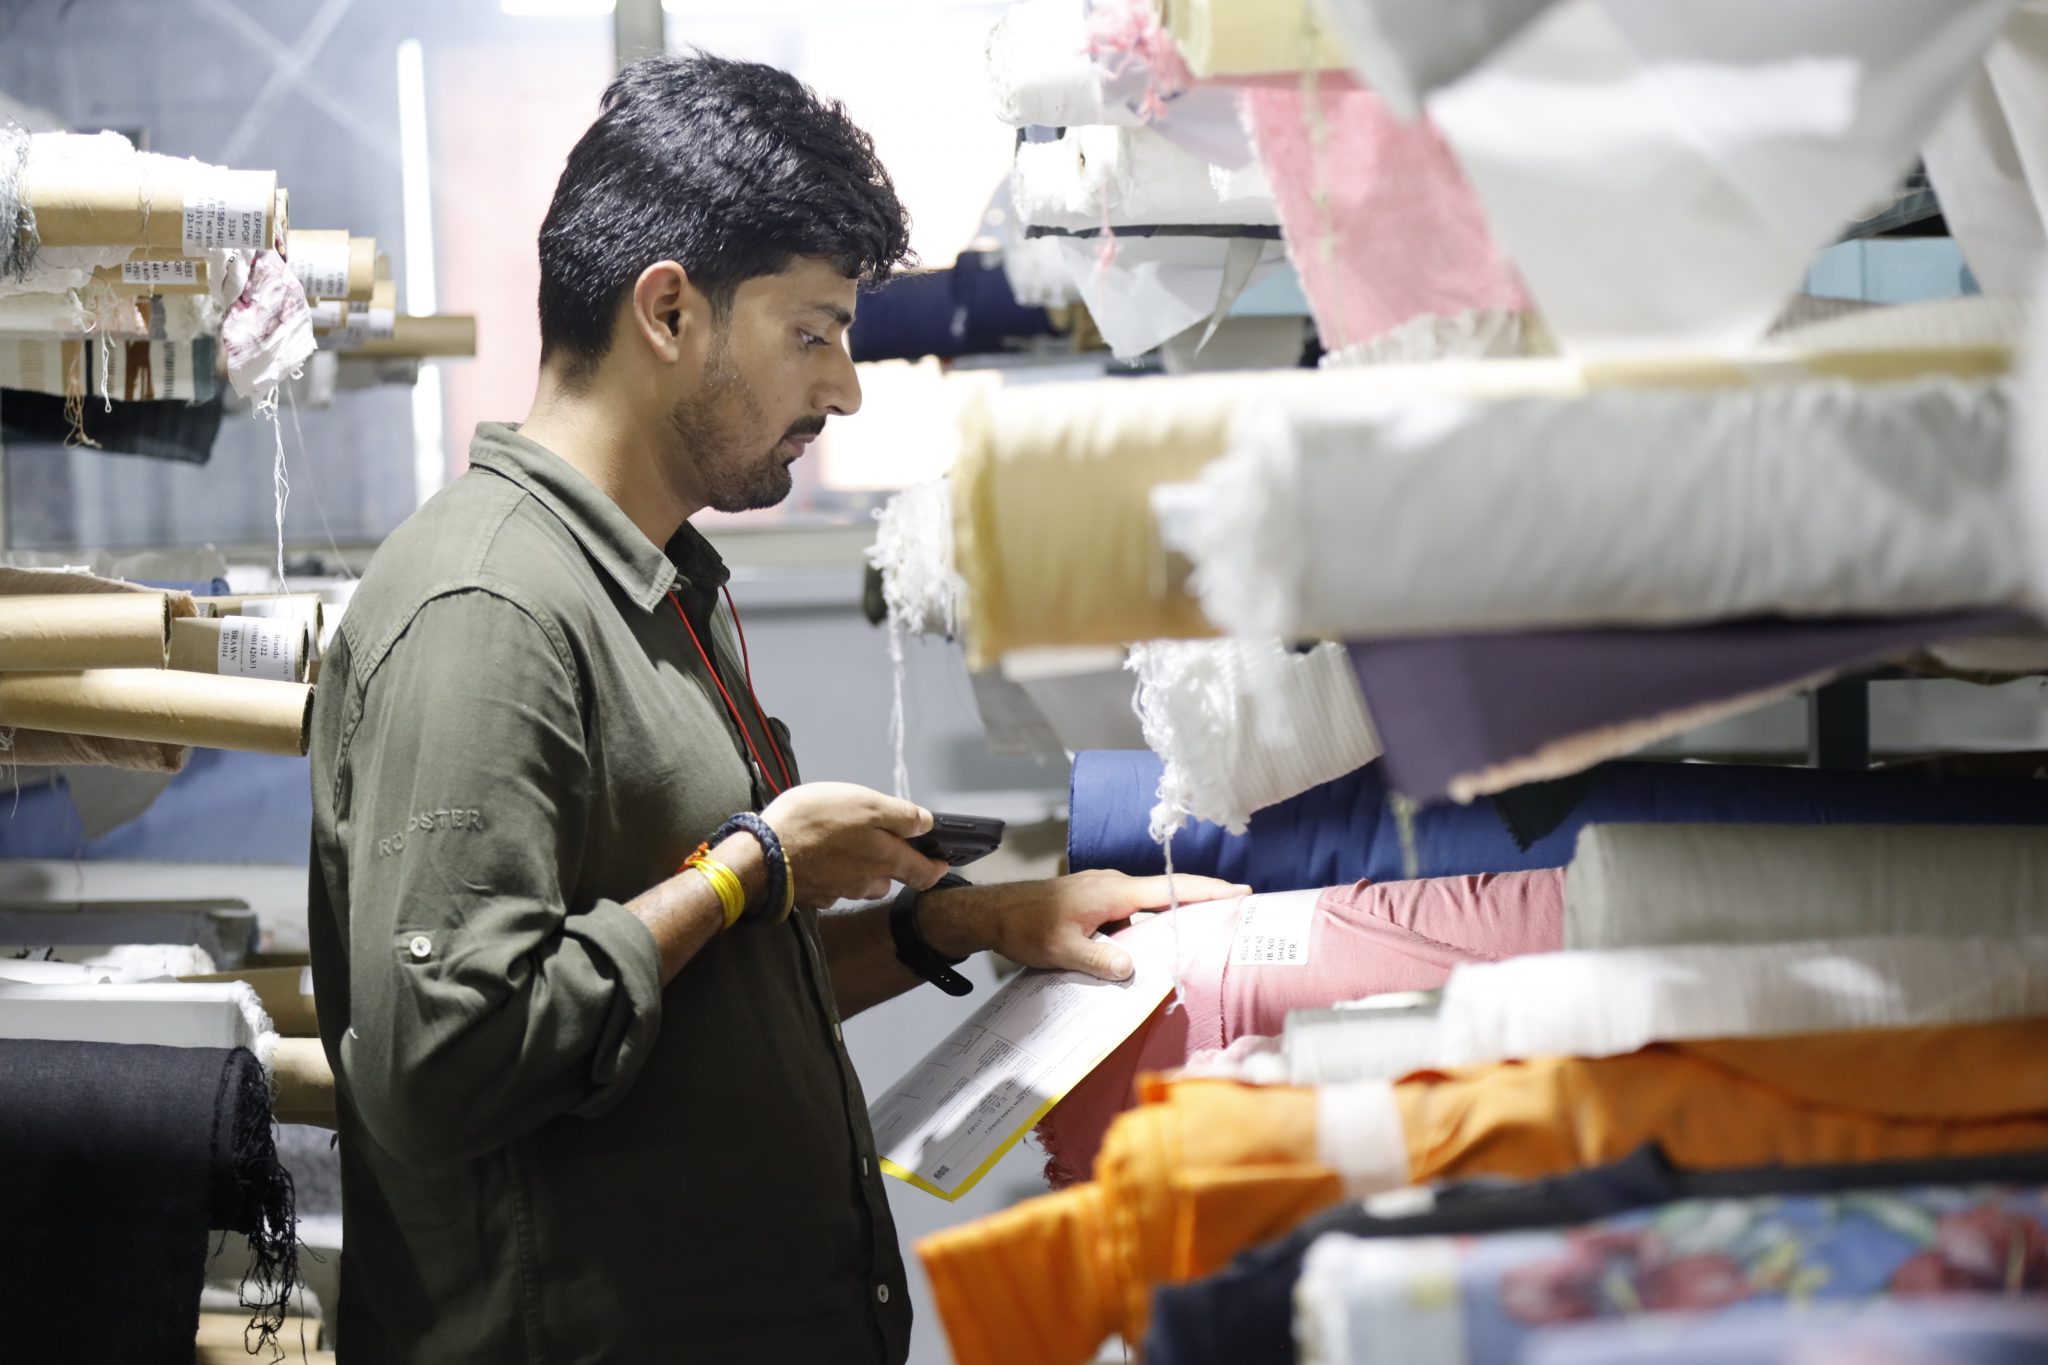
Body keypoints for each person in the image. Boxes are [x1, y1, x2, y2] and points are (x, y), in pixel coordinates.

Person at [305, 51, 1244, 1363]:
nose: (846, 387)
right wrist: (752, 865)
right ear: (670, 310)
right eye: (812, 333)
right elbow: (447, 1059)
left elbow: (688, 1004)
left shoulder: (650, 585)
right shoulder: (490, 608)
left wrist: (965, 919)